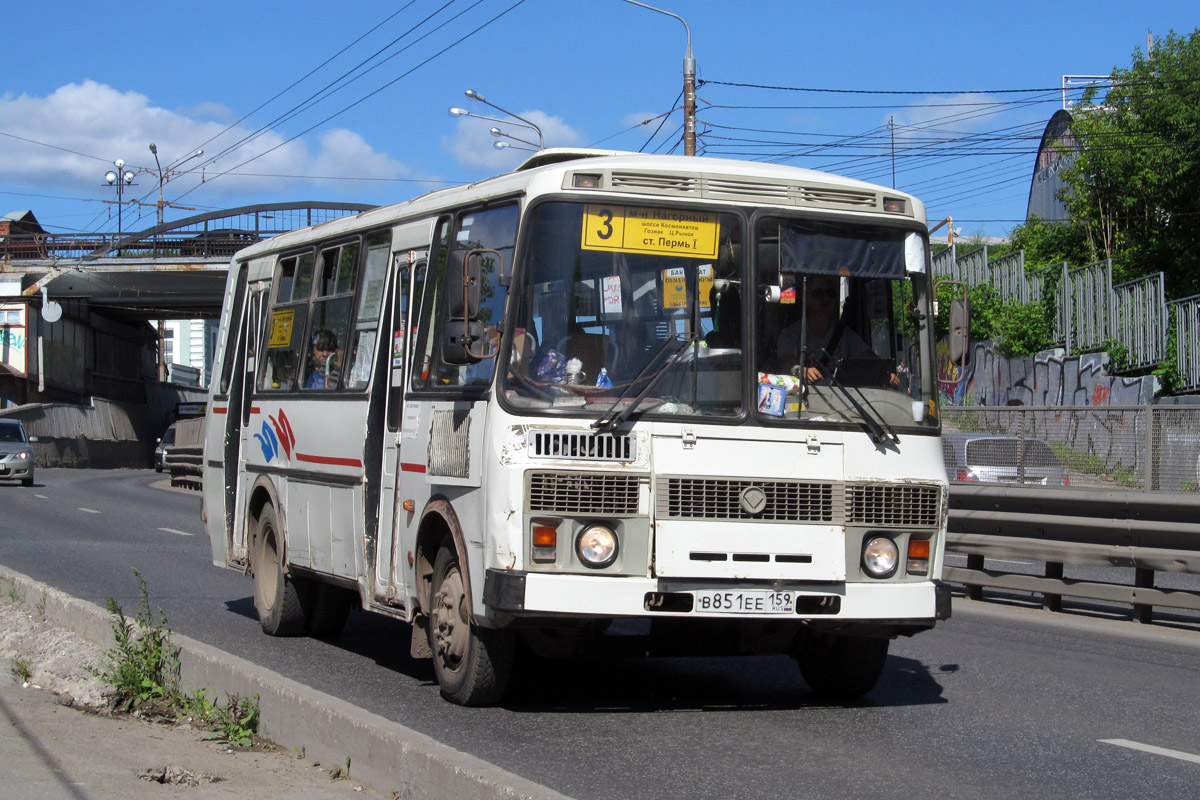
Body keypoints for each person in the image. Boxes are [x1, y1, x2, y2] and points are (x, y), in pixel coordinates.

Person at [775, 274, 869, 383]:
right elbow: (786, 366)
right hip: (803, 397)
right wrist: (800, 371)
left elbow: (872, 360)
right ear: (805, 297)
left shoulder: (845, 334)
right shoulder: (790, 334)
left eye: (830, 294)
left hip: (842, 398)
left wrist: (887, 373)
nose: (825, 298)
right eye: (818, 294)